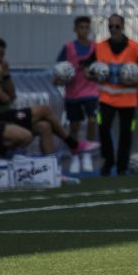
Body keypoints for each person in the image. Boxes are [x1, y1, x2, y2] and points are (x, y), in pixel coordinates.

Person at [0, 37, 98, 159]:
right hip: (4, 117)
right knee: (43, 110)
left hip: (13, 116)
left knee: (44, 126)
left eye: (2, 55)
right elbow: (5, 99)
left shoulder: (1, 72)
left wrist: (6, 75)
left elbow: (12, 95)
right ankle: (72, 143)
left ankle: (51, 166)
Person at [93, 14, 138, 175]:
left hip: (128, 99)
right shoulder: (99, 47)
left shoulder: (135, 47)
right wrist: (91, 73)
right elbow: (88, 66)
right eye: (110, 26)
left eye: (117, 26)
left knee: (126, 133)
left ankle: (122, 167)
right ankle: (108, 160)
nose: (113, 29)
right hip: (106, 98)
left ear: (123, 27)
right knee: (103, 127)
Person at [55, 15, 99, 173]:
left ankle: (87, 153)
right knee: (74, 126)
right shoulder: (68, 48)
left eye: (87, 27)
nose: (84, 30)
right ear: (75, 29)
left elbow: (101, 68)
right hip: (73, 93)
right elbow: (59, 68)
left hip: (91, 91)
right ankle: (74, 155)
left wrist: (95, 74)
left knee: (92, 120)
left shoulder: (96, 47)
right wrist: (61, 77)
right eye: (81, 27)